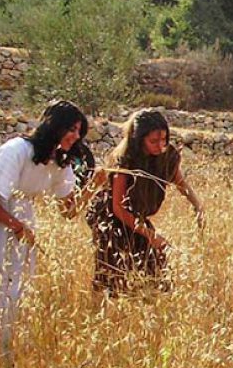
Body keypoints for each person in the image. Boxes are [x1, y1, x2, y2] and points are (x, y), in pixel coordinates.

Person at [0, 100, 90, 368]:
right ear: (55, 126)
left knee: (16, 285)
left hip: (20, 216)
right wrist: (16, 226)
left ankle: (5, 351)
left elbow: (69, 211)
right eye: (72, 129)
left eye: (79, 132)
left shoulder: (59, 162)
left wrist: (95, 186)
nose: (75, 136)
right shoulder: (17, 150)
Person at [87, 109, 204, 295]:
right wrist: (150, 234)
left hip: (137, 217)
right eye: (154, 141)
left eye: (164, 139)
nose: (161, 145)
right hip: (111, 218)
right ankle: (102, 310)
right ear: (139, 139)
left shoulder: (167, 157)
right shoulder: (124, 161)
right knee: (113, 271)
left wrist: (197, 205)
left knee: (155, 267)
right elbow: (118, 207)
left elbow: (180, 182)